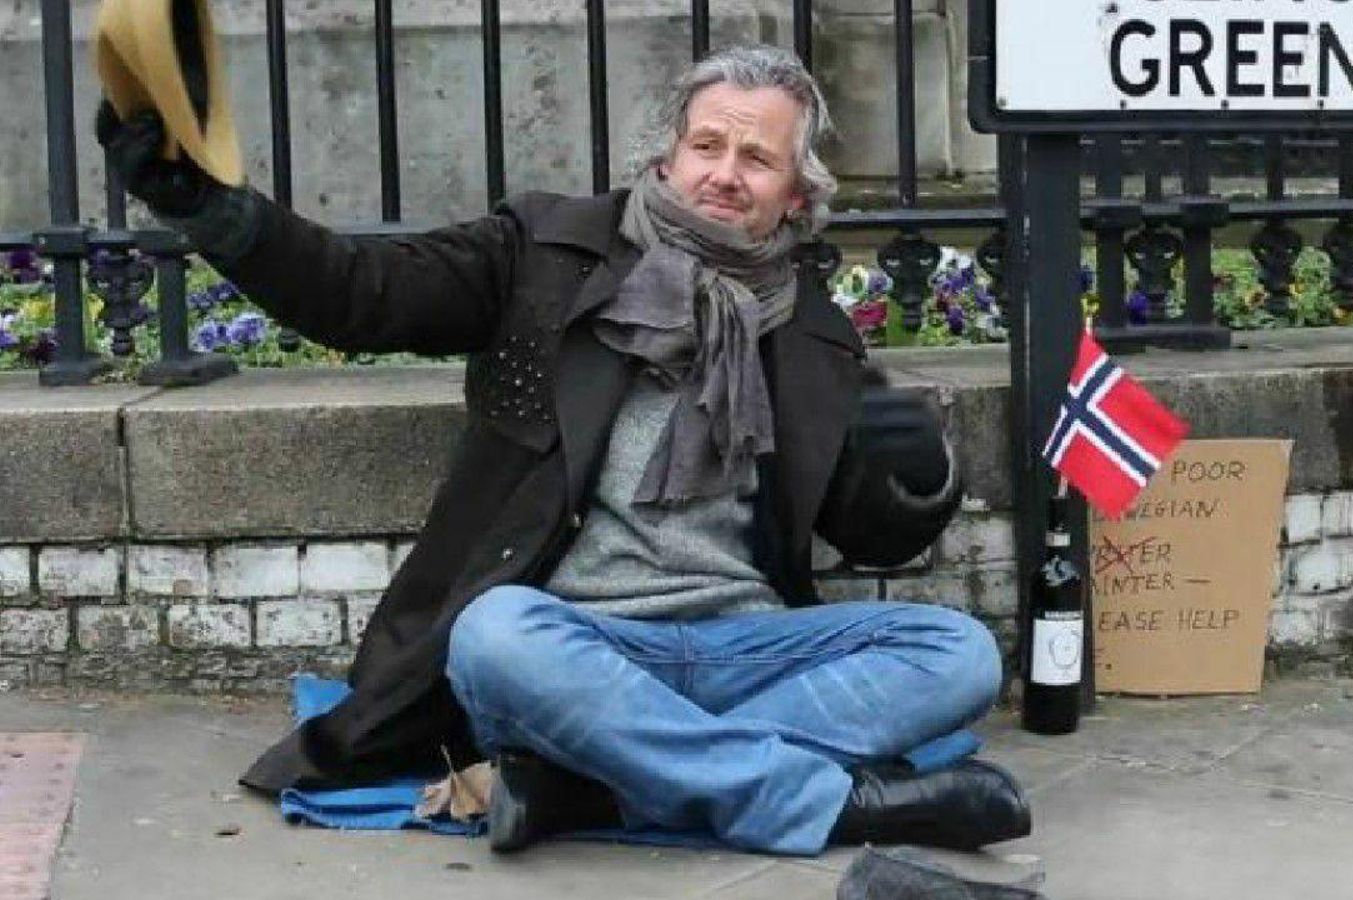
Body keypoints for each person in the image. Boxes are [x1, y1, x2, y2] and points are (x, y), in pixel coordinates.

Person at [96, 43, 1030, 857]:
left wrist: (920, 474)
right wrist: (217, 213)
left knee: (956, 654)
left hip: (741, 640)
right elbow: (360, 294)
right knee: (493, 634)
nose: (725, 173)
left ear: (794, 196)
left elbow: (867, 533)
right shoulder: (544, 251)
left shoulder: (814, 333)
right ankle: (813, 799)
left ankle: (596, 784)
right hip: (571, 642)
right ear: (667, 153)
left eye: (758, 158)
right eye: (708, 144)